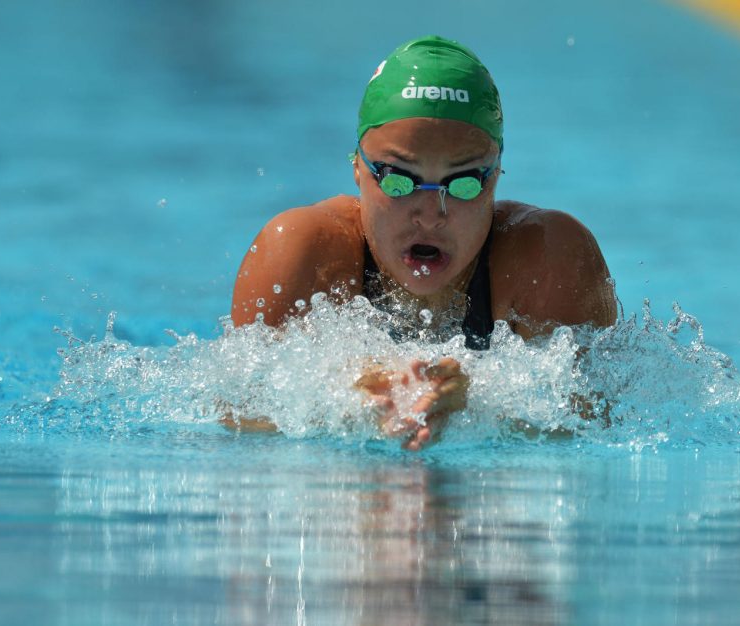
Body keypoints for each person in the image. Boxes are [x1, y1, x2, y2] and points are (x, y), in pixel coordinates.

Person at [227, 36, 616, 449]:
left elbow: (598, 427)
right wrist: (345, 400)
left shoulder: (547, 258)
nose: (431, 214)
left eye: (464, 183)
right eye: (399, 179)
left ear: (496, 175)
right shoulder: (303, 253)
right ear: (358, 167)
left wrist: (478, 407)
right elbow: (235, 415)